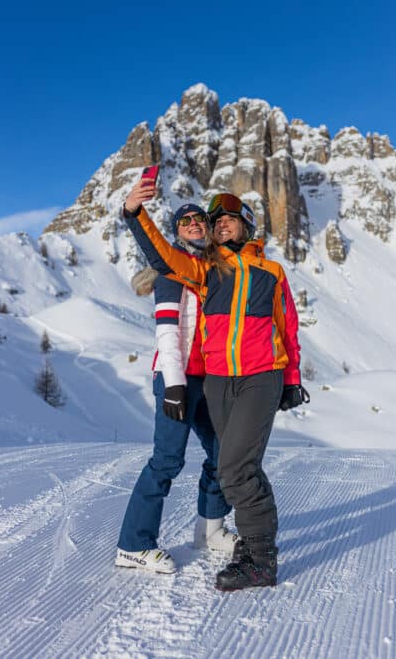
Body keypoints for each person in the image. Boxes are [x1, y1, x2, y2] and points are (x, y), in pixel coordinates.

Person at [122, 181, 309, 591]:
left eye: (229, 219)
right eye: (216, 220)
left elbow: (288, 327)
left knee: (235, 466)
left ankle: (259, 557)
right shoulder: (207, 269)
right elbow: (164, 259)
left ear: (246, 225)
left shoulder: (272, 272)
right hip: (218, 380)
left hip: (260, 375)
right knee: (228, 464)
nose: (221, 224)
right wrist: (136, 215)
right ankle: (242, 542)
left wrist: (292, 378)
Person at [116, 203, 237, 574]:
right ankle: (133, 545)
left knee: (221, 452)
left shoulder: (209, 272)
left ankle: (210, 530)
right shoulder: (171, 273)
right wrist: (173, 384)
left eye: (199, 219)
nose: (193, 224)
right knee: (167, 459)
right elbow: (167, 331)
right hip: (177, 378)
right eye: (184, 221)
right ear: (177, 231)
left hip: (206, 378)